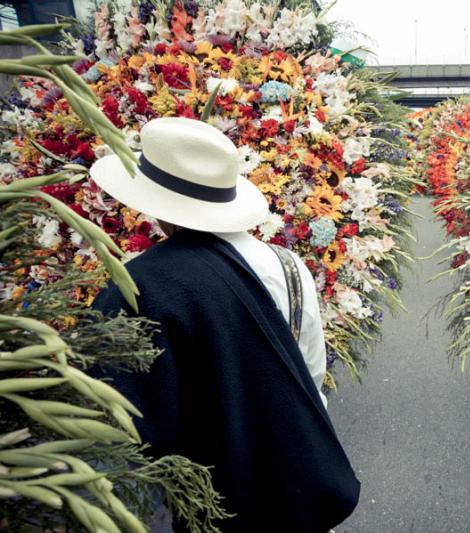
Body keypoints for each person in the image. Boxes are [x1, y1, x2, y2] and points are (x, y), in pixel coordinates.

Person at [91, 117, 360, 532]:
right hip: (288, 486)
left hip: (205, 501)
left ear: (155, 203)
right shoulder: (290, 268)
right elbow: (311, 379)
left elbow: (116, 423)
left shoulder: (139, 284)